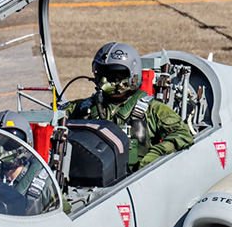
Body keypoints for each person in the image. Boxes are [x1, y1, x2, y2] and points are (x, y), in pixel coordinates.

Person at [65, 41, 193, 169]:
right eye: (102, 74)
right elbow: (57, 117)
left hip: (135, 177)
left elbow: (183, 135)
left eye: (115, 75)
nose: (105, 81)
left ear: (133, 77)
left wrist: (155, 155)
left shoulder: (153, 110)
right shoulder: (83, 107)